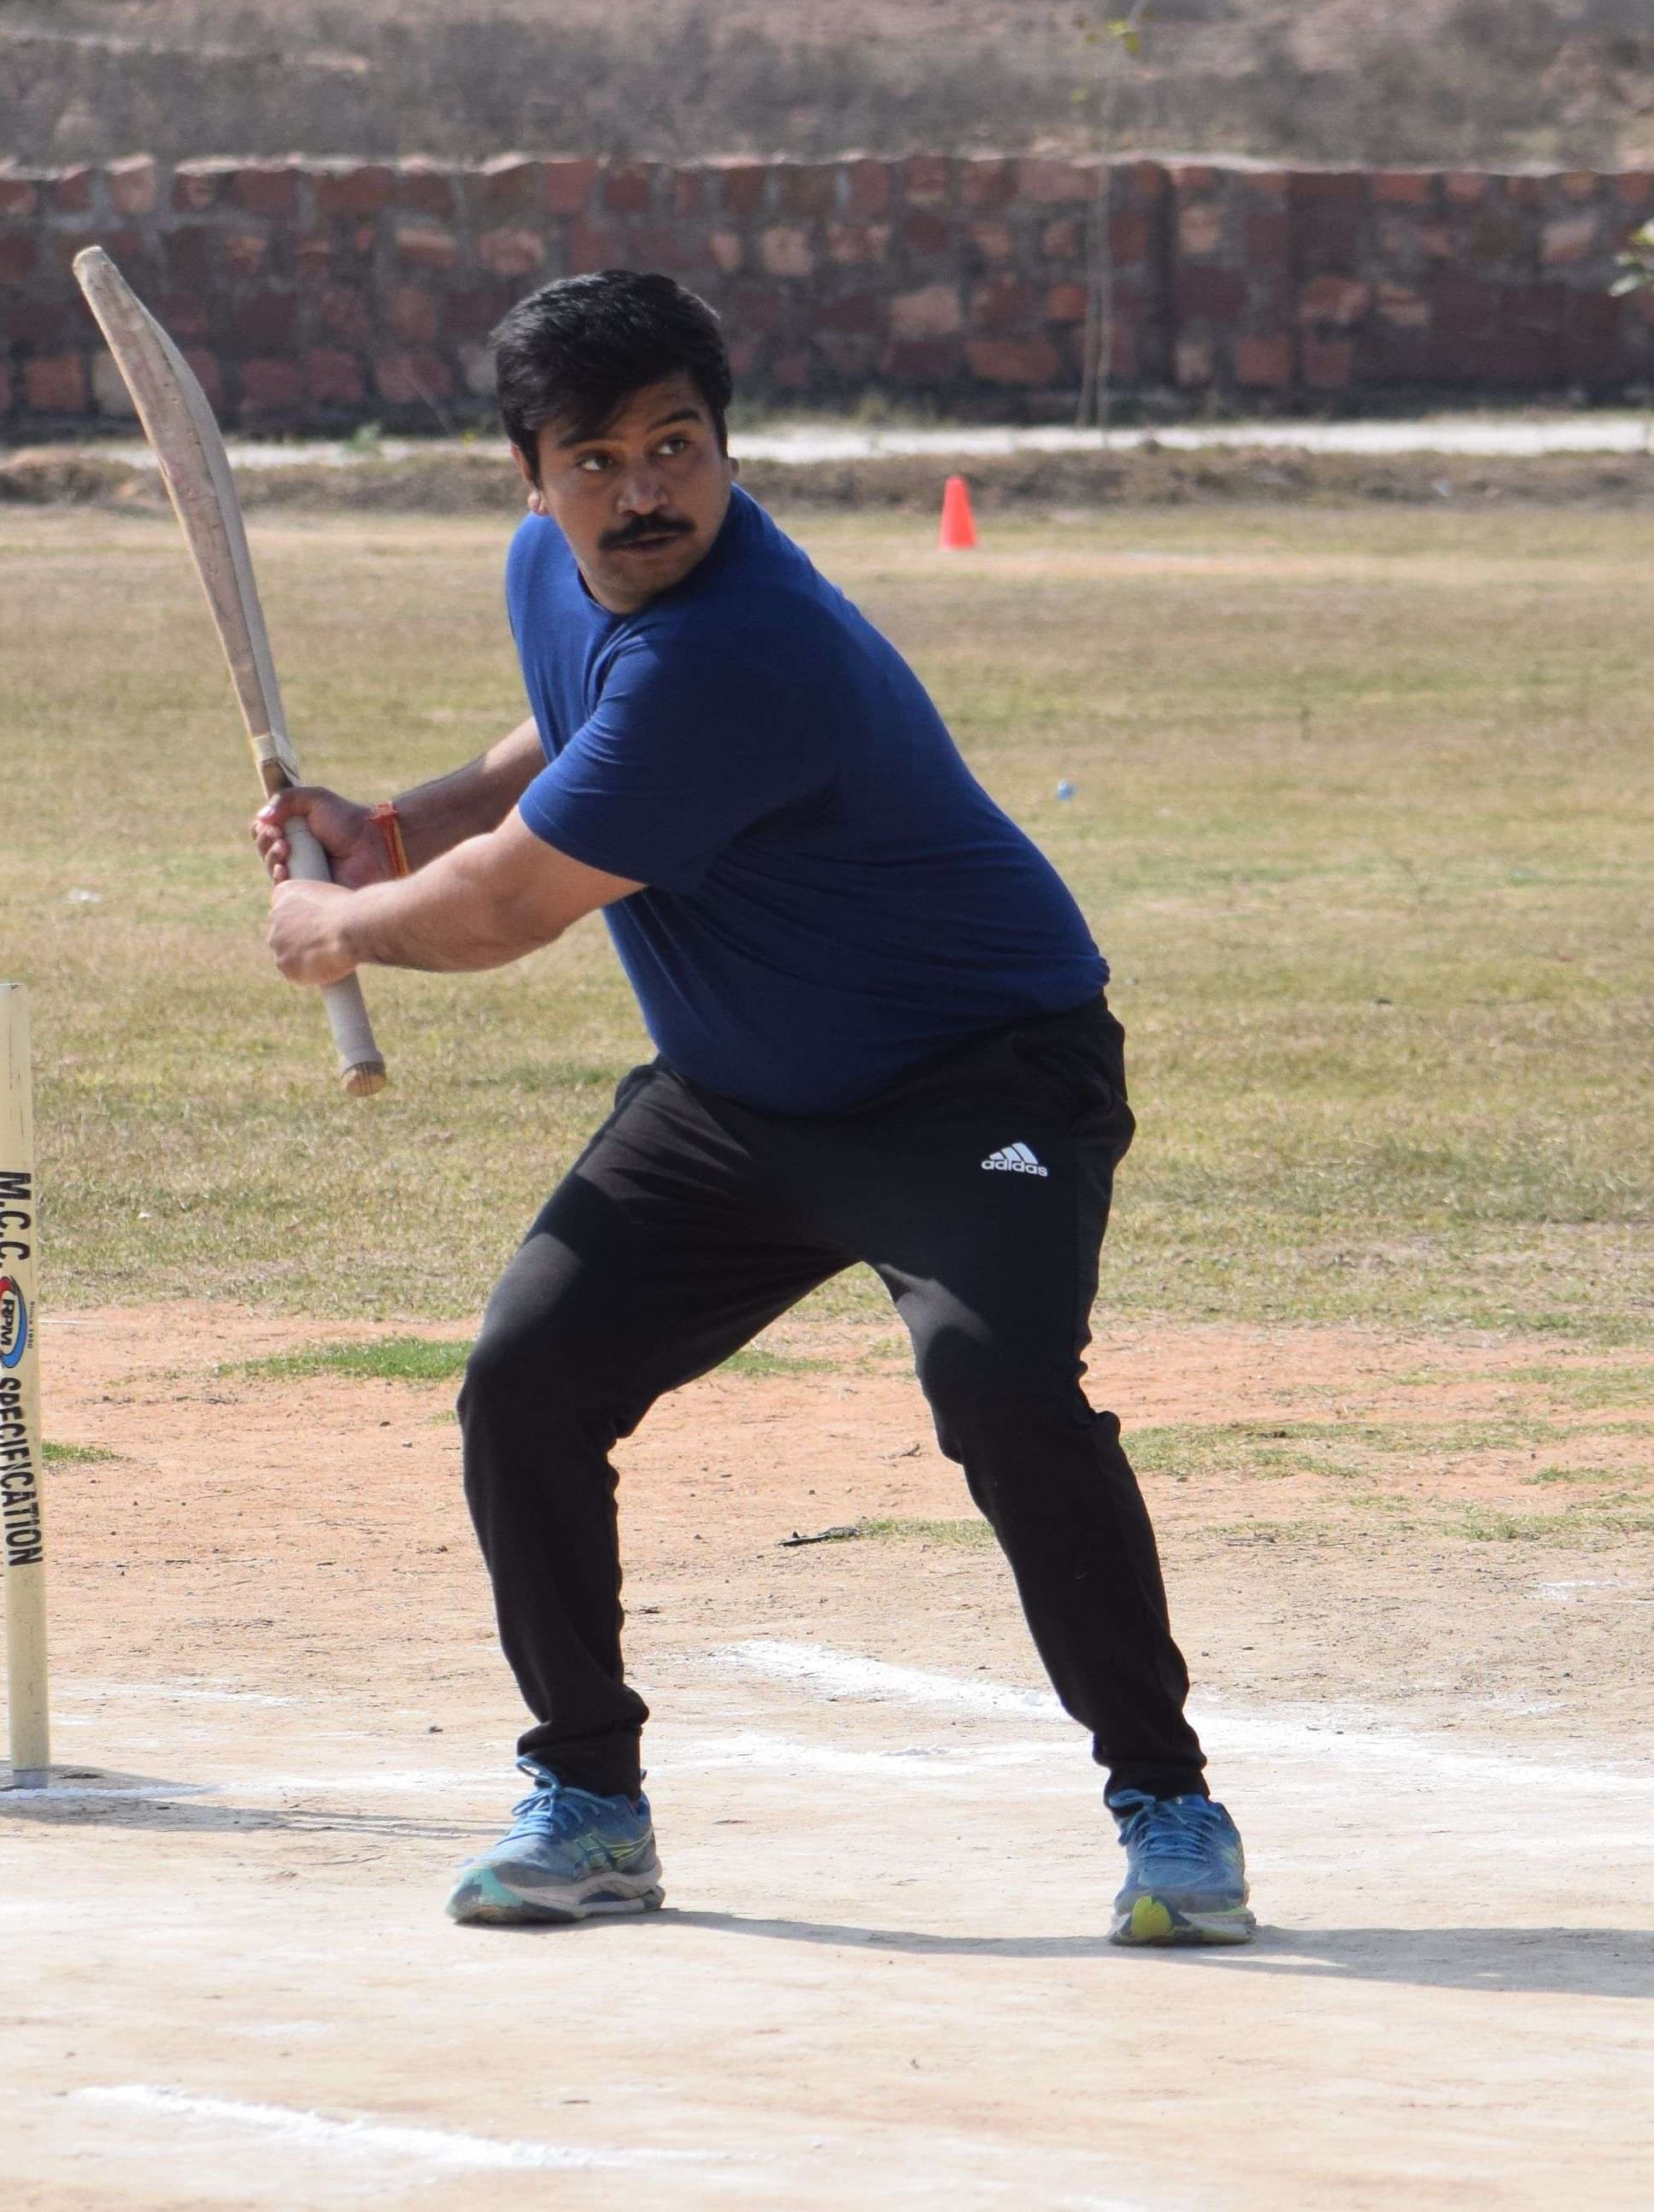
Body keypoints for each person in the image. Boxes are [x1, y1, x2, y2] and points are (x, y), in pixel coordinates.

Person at [255, 270, 1251, 1947]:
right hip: (739, 1098)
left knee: (999, 1383)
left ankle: (1170, 1805)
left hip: (979, 1078)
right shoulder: (556, 578)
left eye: (679, 445)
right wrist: (392, 828)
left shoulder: (741, 653)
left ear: (722, 445)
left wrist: (337, 925)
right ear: (532, 476)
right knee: (526, 1379)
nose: (644, 490)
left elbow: (515, 905)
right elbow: (560, 739)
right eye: (599, 458)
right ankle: (589, 1802)